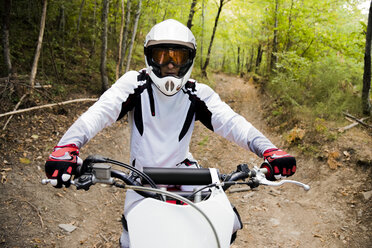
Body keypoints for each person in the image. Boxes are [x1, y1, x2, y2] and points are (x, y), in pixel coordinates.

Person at [45, 19, 296, 247]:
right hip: (140, 180)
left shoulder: (198, 92)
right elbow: (100, 111)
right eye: (162, 56)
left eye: (178, 57)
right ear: (149, 57)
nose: (170, 65)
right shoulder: (134, 84)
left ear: (190, 59)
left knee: (226, 223)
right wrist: (67, 147)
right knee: (131, 240)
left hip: (186, 175)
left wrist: (269, 150)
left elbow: (232, 122)